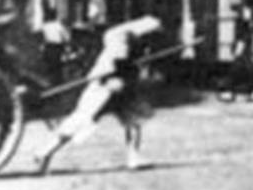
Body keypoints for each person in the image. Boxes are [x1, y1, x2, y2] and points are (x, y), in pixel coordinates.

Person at [35, 15, 161, 175]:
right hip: (105, 84)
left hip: (121, 84)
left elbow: (128, 64)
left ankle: (133, 157)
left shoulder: (132, 39)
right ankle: (44, 152)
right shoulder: (121, 35)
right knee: (81, 120)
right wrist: (119, 77)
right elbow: (118, 61)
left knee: (134, 118)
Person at [40, 7, 71, 88]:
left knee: (50, 66)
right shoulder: (58, 25)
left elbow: (43, 37)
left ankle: (50, 83)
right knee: (58, 66)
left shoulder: (45, 26)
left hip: (48, 46)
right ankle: (59, 84)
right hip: (57, 47)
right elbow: (66, 37)